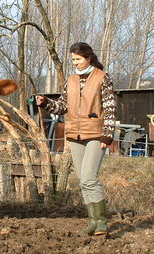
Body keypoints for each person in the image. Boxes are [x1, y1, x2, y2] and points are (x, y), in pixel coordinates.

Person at [36, 42, 116, 236]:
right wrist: (46, 103)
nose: (75, 63)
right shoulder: (71, 80)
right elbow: (63, 107)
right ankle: (93, 221)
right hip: (74, 135)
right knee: (82, 180)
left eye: (78, 59)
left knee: (89, 177)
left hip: (96, 134)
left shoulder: (102, 78)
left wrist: (108, 134)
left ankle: (102, 222)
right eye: (72, 60)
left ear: (88, 58)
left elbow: (110, 108)